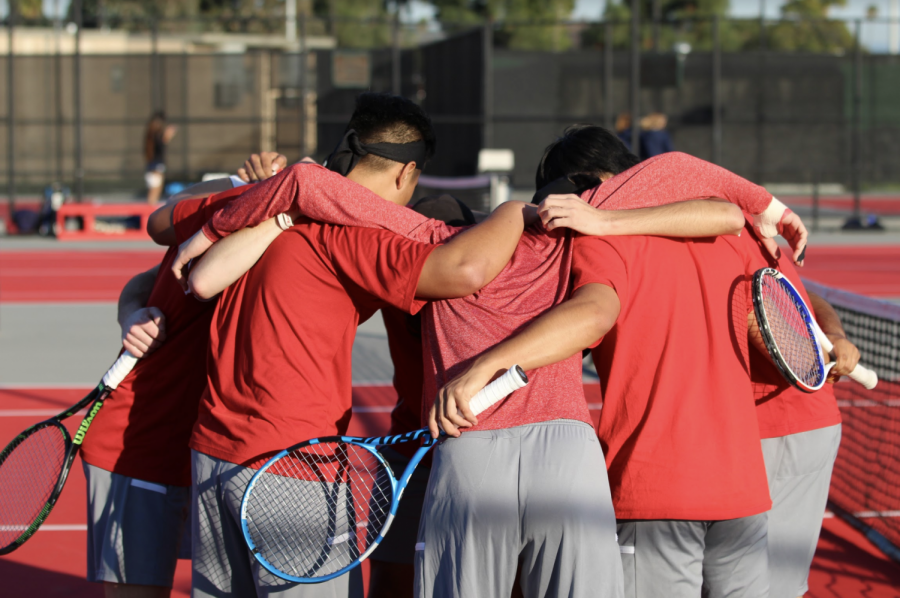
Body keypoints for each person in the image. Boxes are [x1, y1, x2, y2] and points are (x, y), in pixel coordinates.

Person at [173, 120, 807, 597]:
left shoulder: (428, 242)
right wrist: (770, 209)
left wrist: (220, 227)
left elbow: (307, 185)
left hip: (470, 451)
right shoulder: (581, 237)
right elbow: (722, 208)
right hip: (570, 453)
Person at [174, 93, 542, 598]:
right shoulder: (351, 238)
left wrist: (247, 197)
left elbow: (163, 226)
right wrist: (515, 212)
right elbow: (465, 270)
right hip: (293, 463)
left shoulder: (258, 214)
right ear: (405, 173)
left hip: (212, 454)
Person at [437, 125, 800, 598]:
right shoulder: (729, 235)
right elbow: (776, 324)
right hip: (743, 486)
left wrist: (486, 365)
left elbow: (591, 315)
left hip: (654, 485)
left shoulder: (599, 237)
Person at [79, 184, 250, 598]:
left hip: (199, 447)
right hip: (140, 442)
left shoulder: (256, 225)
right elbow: (151, 275)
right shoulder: (238, 219)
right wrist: (130, 315)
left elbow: (146, 279)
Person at [742, 225, 860, 598]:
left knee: (770, 583)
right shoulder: (747, 235)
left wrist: (835, 335)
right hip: (756, 431)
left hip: (784, 430)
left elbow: (803, 301)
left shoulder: (741, 239)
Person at [144, 111, 177, 205]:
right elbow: (161, 147)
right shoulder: (156, 136)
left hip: (153, 167)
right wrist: (167, 137)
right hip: (156, 169)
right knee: (153, 196)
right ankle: (148, 216)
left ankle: (149, 214)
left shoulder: (150, 135)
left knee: (153, 196)